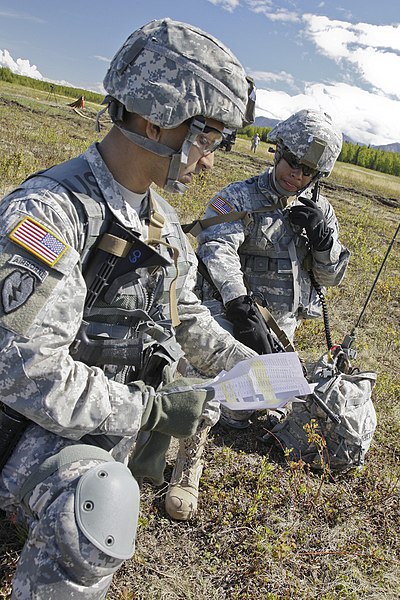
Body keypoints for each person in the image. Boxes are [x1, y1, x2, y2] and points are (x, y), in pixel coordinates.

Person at [0, 18, 257, 598]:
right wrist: (148, 411)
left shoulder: (160, 223)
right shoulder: (50, 215)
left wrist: (262, 371)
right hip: (22, 438)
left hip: (87, 433)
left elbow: (185, 315)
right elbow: (24, 372)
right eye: (208, 137)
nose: (211, 160)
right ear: (157, 118)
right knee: (100, 503)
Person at [194, 109, 350, 428]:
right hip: (233, 318)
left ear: (318, 175)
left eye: (307, 170)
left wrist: (324, 243)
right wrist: (239, 304)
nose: (296, 174)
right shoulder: (240, 196)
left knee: (276, 406)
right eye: (293, 161)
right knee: (232, 413)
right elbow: (216, 248)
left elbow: (330, 279)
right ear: (278, 150)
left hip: (281, 328)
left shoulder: (320, 211)